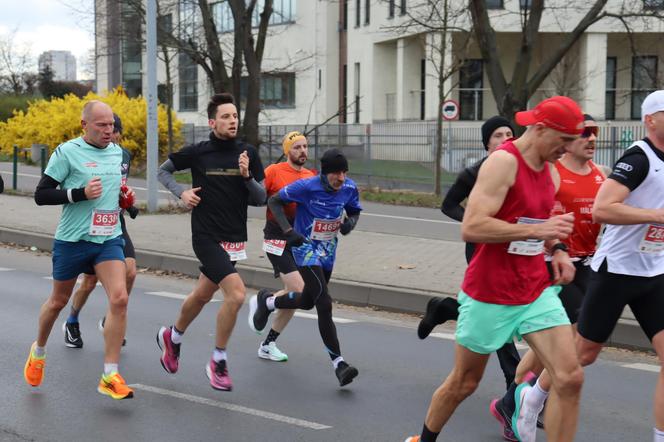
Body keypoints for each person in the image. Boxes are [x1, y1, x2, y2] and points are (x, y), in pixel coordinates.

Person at [404, 96, 585, 442]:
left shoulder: (550, 171)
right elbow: (472, 227)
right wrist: (537, 231)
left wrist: (558, 248)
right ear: (541, 129)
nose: (567, 149)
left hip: (534, 288)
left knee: (570, 377)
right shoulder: (502, 163)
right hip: (489, 292)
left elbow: (541, 222)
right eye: (563, 140)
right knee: (464, 383)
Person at [511, 90, 664, 442]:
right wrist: (655, 215)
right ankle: (532, 398)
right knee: (584, 354)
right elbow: (602, 209)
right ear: (651, 119)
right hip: (617, 270)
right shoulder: (638, 158)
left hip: (655, 271)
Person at [489, 113, 609, 440]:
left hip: (586, 266)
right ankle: (529, 399)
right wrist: (553, 245)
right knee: (569, 343)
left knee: (555, 350)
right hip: (551, 264)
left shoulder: (601, 175)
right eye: (584, 134)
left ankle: (511, 401)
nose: (591, 140)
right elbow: (533, 215)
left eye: (594, 134)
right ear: (567, 142)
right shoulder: (555, 174)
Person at [24, 100, 135, 400]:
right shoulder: (67, 152)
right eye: (101, 125)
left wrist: (126, 200)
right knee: (58, 301)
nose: (108, 130)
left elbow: (114, 193)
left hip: (108, 238)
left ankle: (109, 375)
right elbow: (41, 195)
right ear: (84, 125)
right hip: (73, 241)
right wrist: (79, 194)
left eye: (111, 124)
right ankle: (39, 351)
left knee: (120, 297)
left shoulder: (117, 153)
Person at [156, 93, 266, 391]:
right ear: (212, 121)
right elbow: (162, 171)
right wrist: (181, 193)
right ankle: (218, 360)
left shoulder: (248, 154)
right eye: (226, 116)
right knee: (237, 295)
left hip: (233, 238)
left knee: (203, 294)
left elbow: (261, 198)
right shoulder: (198, 152)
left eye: (235, 116)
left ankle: (173, 336)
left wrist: (246, 176)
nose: (233, 121)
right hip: (205, 236)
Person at [420, 116, 521, 393]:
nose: (505, 139)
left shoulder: (520, 170)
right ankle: (514, 383)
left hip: (512, 248)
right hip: (482, 247)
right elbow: (448, 205)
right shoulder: (476, 172)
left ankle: (444, 308)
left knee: (490, 311)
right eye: (498, 135)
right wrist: (474, 223)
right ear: (487, 143)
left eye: (509, 133)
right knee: (497, 312)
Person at [248, 149, 362, 387]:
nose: (340, 178)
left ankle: (268, 302)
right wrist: (289, 232)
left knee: (308, 301)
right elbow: (274, 201)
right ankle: (339, 364)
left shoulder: (349, 188)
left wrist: (350, 223)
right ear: (324, 173)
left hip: (327, 254)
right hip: (305, 251)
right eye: (335, 174)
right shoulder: (307, 186)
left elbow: (354, 210)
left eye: (344, 173)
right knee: (324, 303)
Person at [62, 113, 138, 349]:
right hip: (89, 221)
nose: (111, 134)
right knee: (89, 281)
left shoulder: (123, 155)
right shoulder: (83, 153)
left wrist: (128, 202)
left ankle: (111, 319)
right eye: (107, 128)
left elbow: (119, 186)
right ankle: (72, 321)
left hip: (115, 223)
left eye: (115, 130)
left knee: (131, 271)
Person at [256, 131, 315, 362]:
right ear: (287, 150)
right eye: (297, 147)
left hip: (299, 239)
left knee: (294, 298)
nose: (303, 151)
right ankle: (267, 302)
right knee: (299, 291)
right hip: (276, 236)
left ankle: (268, 343)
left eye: (305, 147)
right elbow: (259, 196)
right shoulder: (273, 171)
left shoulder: (311, 175)